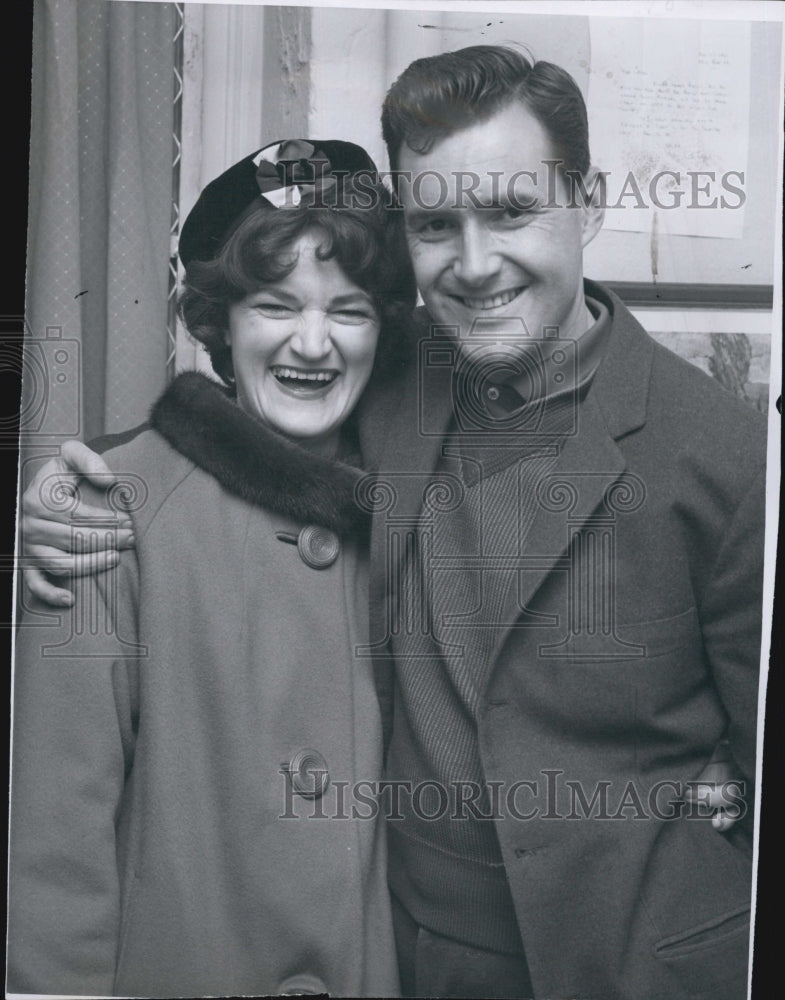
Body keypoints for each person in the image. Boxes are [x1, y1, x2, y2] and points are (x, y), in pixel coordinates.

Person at [19, 48, 767, 1000]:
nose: (477, 261)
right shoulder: (407, 364)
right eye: (435, 224)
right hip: (425, 958)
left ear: (590, 201)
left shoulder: (728, 457)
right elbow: (238, 407)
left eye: (510, 210)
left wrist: (730, 775)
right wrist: (74, 488)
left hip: (639, 961)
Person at [8, 138, 416, 997]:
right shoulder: (102, 509)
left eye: (348, 310)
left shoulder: (422, 512)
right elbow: (54, 856)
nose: (314, 344)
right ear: (218, 322)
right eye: (274, 304)